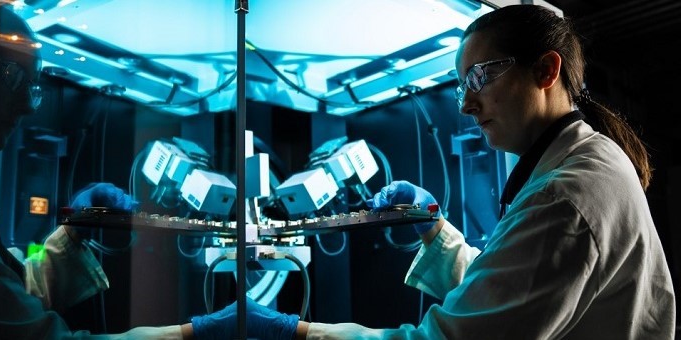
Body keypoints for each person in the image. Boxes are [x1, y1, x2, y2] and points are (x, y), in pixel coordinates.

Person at [249, 4, 676, 339]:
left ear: (546, 70)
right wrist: (433, 227)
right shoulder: (579, 162)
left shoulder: (565, 195)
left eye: (479, 77)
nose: (465, 105)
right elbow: (506, 290)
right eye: (461, 85)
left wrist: (289, 331)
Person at [0, 1, 234, 338]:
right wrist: (198, 333)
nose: (26, 106)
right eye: (10, 76)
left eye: (32, 88)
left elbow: (0, 300)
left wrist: (75, 231)